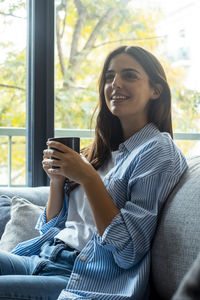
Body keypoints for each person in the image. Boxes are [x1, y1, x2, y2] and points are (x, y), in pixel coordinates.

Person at [0, 45, 188, 300]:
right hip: (43, 258)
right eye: (110, 77)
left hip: (80, 277)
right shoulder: (102, 151)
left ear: (156, 90)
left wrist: (87, 177)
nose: (115, 84)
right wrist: (57, 182)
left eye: (129, 75)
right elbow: (52, 228)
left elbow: (128, 249)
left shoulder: (158, 150)